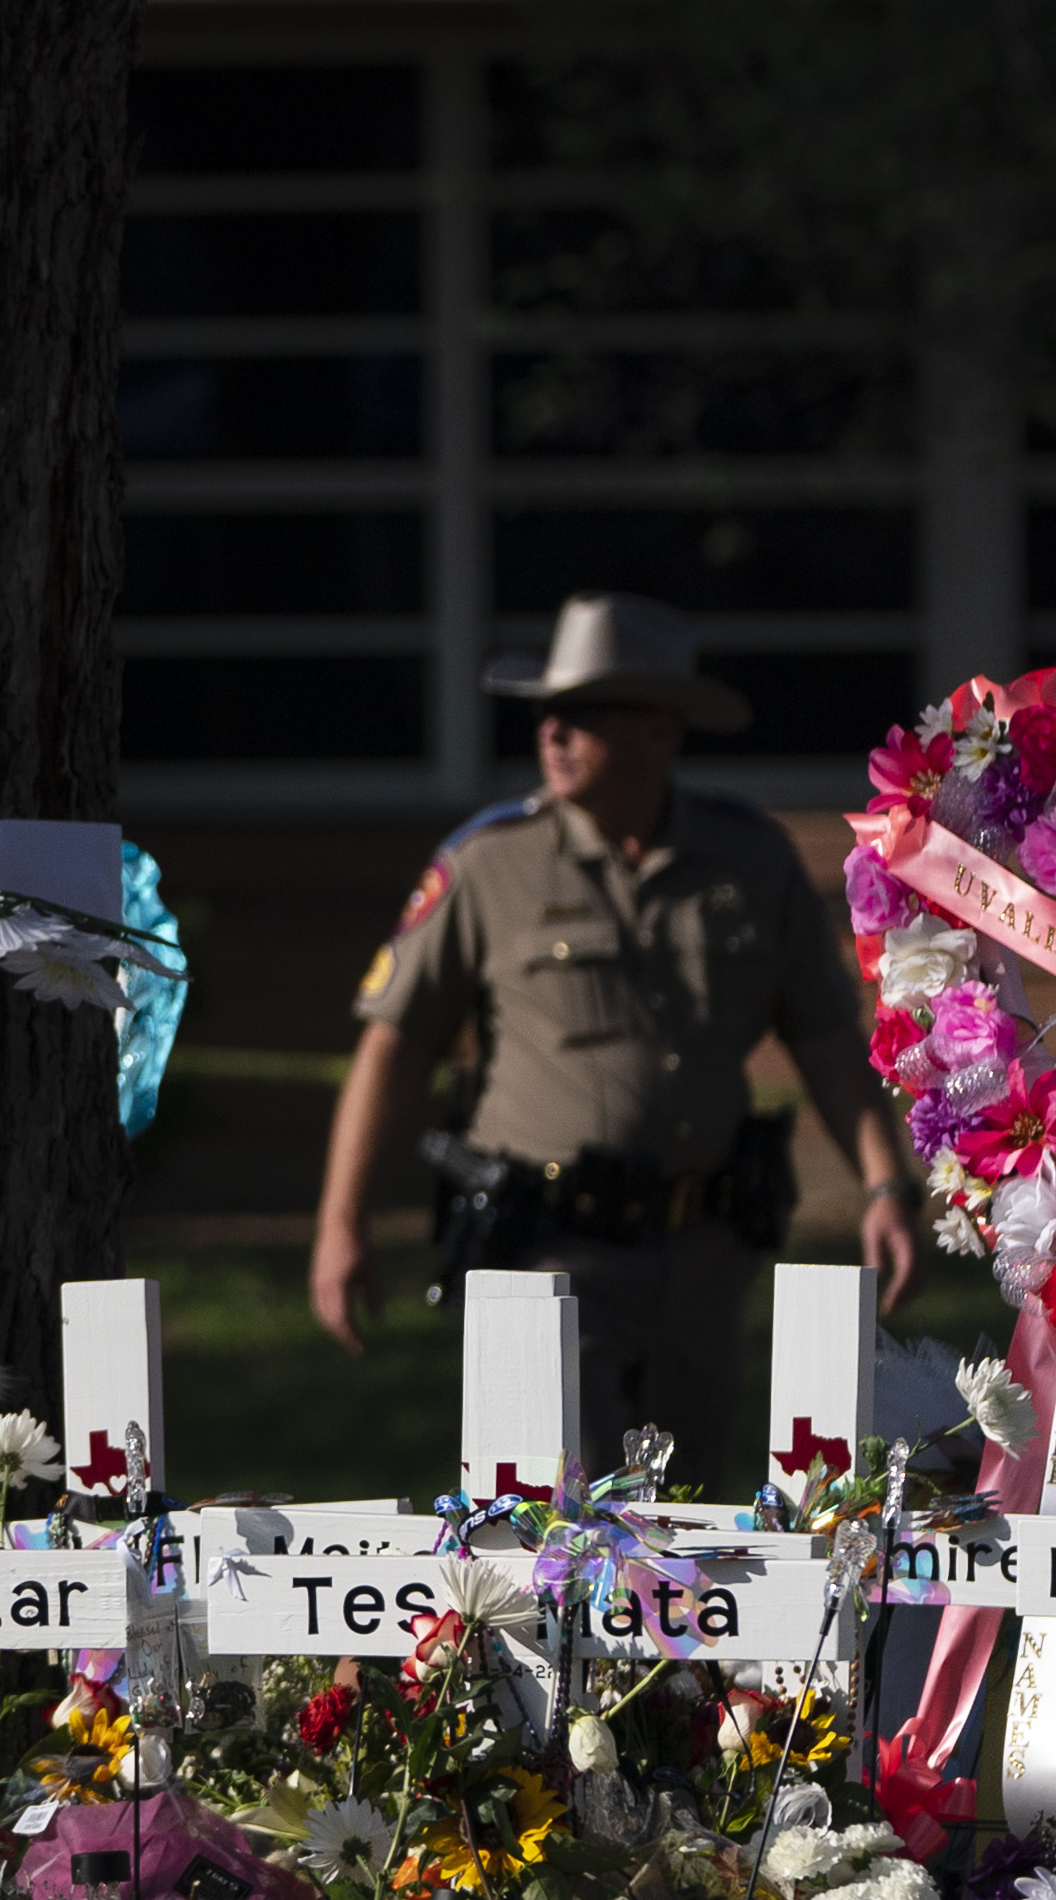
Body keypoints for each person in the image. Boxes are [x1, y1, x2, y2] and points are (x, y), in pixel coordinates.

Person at [306, 590, 916, 1492]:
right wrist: (340, 1222)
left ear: (662, 727)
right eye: (548, 713)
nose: (553, 734)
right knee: (561, 1514)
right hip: (547, 1249)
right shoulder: (488, 864)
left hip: (704, 1247)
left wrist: (884, 1182)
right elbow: (394, 1046)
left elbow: (825, 1034)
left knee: (696, 1517)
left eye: (585, 713)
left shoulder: (749, 860)